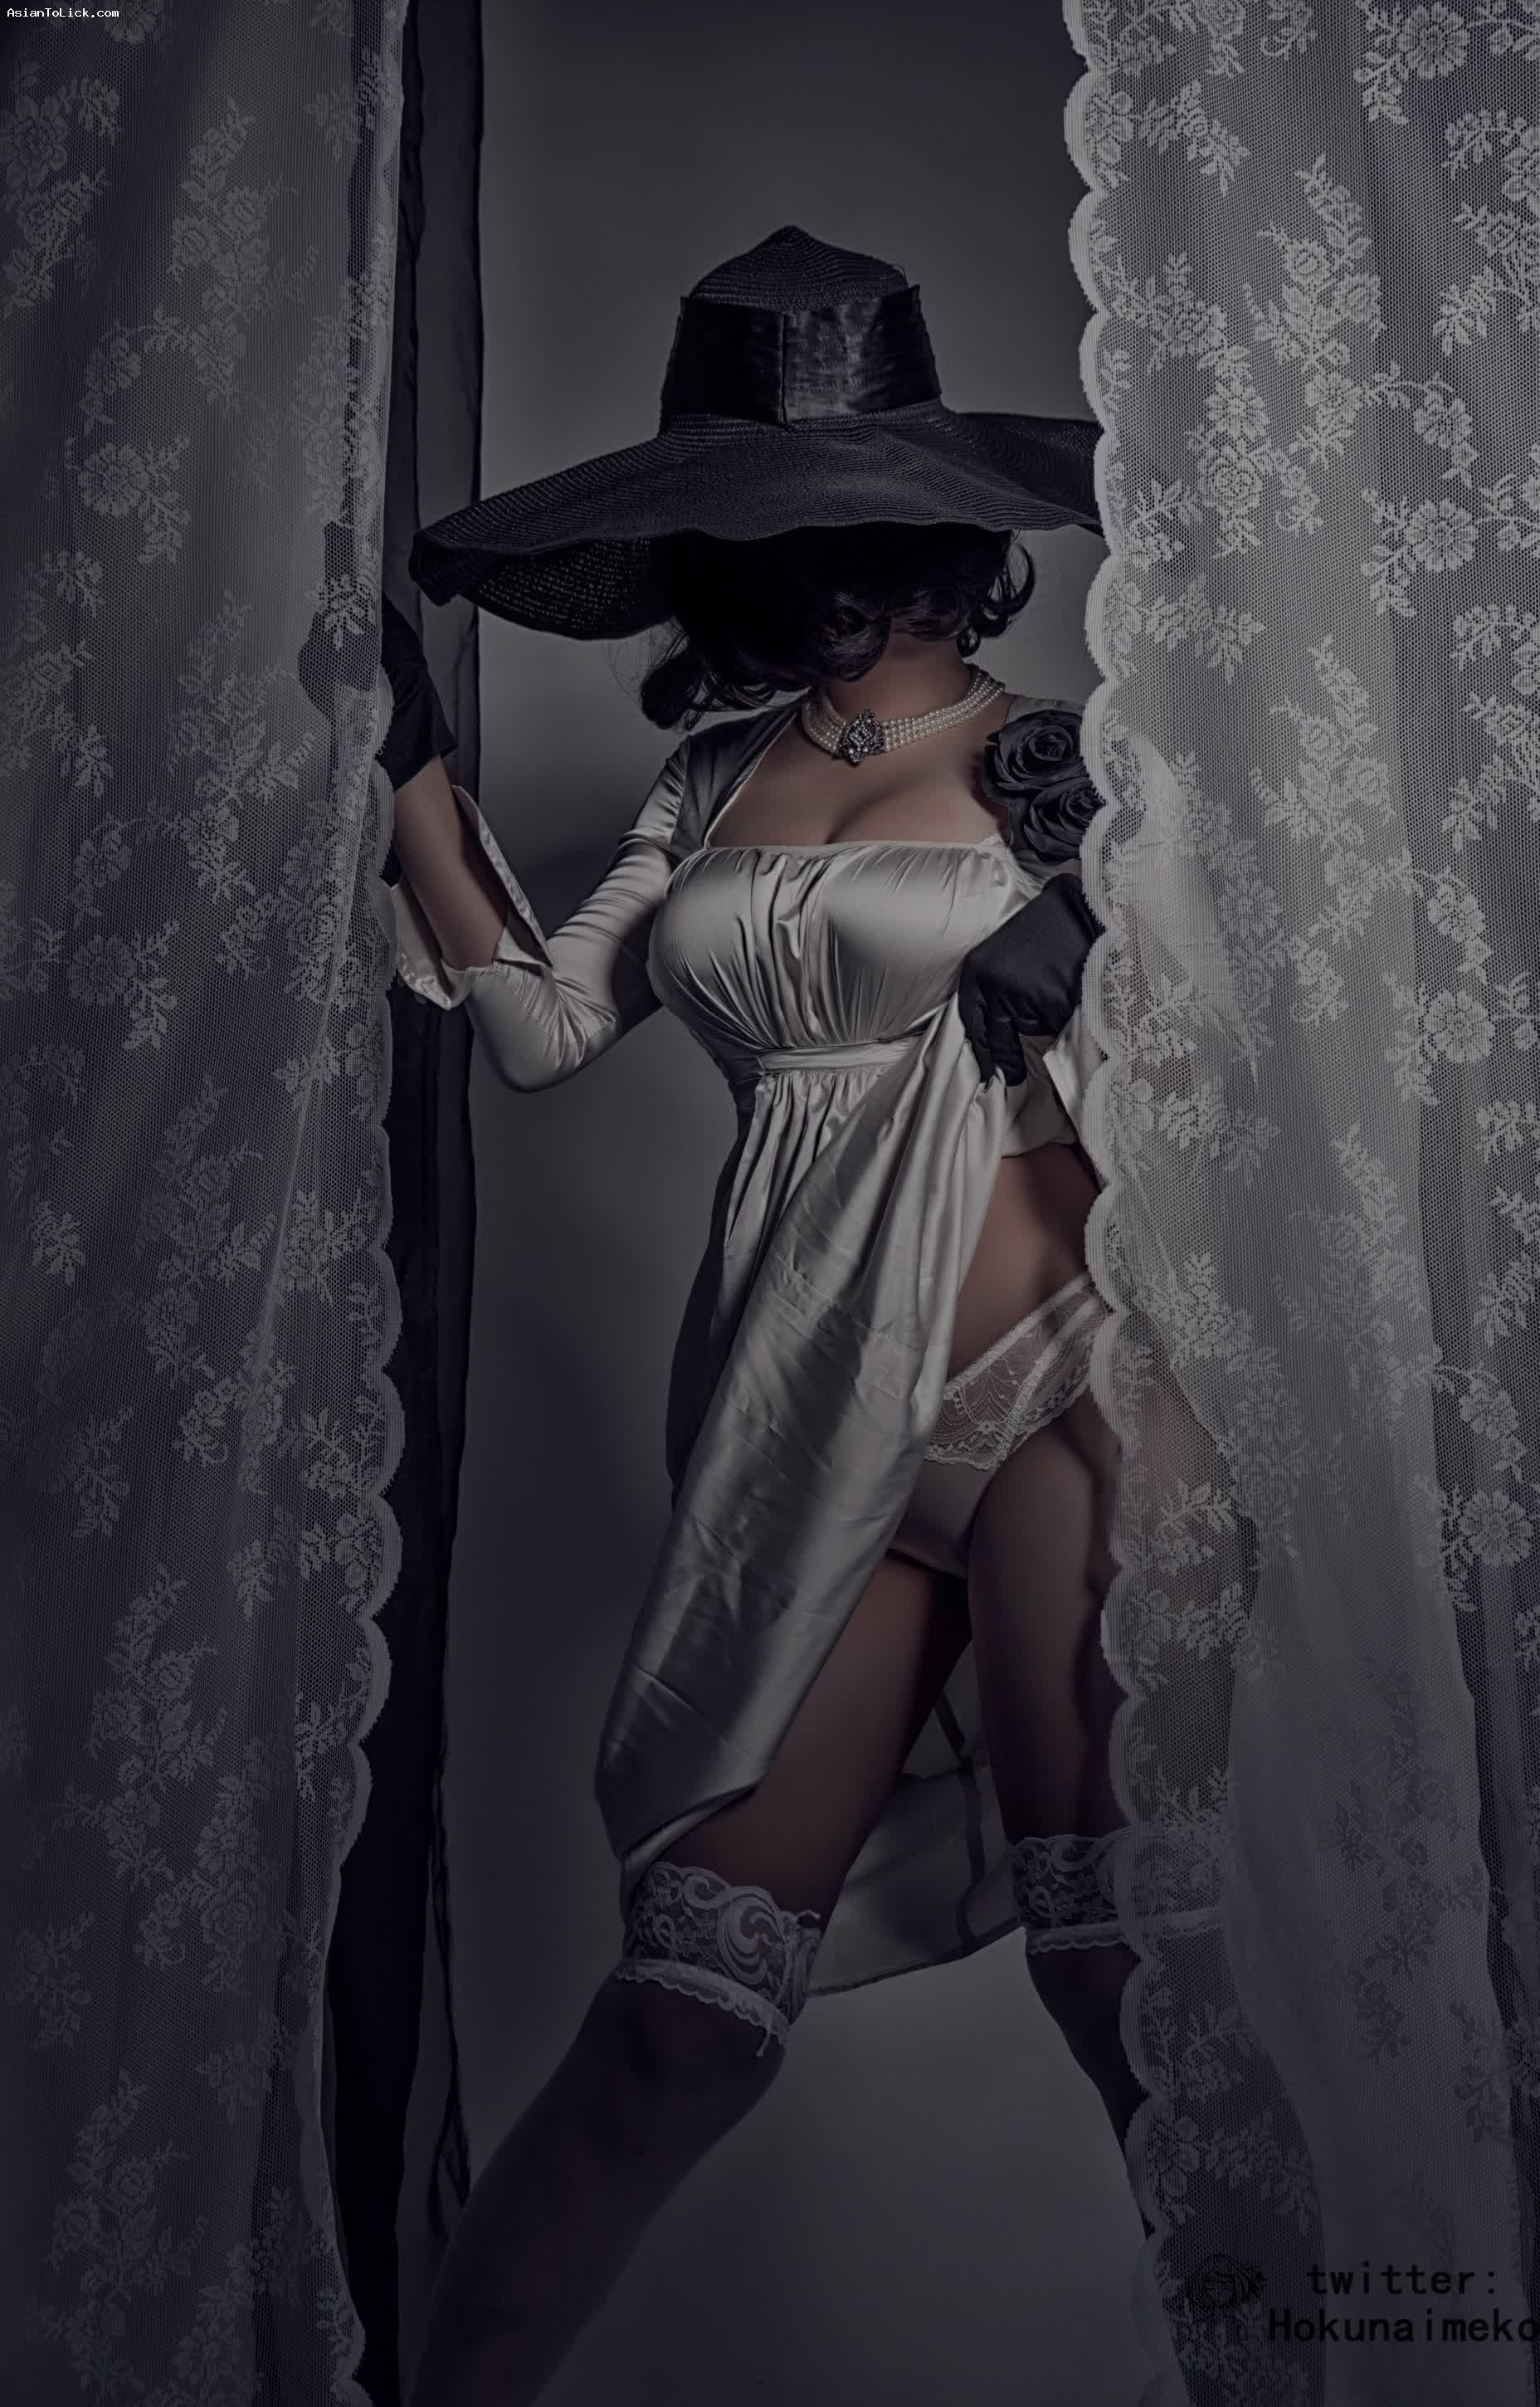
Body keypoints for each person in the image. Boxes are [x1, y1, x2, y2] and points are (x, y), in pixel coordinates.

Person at [387, 227, 1138, 2407]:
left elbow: (1252, 1037)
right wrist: (410, 776)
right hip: (800, 1420)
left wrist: (1102, 933)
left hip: (1050, 1385)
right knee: (678, 2034)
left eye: (854, 510)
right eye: (763, 515)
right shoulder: (711, 782)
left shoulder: (1078, 762)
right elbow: (542, 1032)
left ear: (936, 518)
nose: (819, 554)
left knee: (1124, 1989)